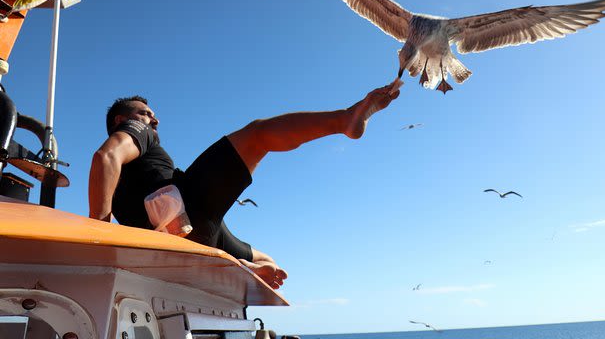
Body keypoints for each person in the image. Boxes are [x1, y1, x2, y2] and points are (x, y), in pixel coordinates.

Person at [88, 82, 400, 290]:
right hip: (189, 205)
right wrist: (98, 231)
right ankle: (345, 119)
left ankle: (240, 267)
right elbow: (106, 156)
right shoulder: (138, 132)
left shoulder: (125, 174)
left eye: (152, 115)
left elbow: (108, 165)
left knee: (268, 263)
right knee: (257, 135)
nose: (153, 120)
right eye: (145, 113)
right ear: (120, 120)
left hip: (186, 230)